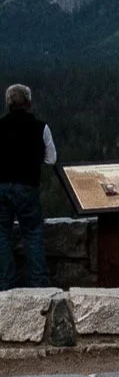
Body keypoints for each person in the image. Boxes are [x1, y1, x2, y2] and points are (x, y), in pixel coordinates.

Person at [0, 84, 54, 290]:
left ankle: (7, 283)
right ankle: (38, 284)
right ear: (29, 103)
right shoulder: (41, 127)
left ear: (8, 104)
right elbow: (51, 159)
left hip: (1, 187)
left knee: (1, 234)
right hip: (27, 186)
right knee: (32, 233)